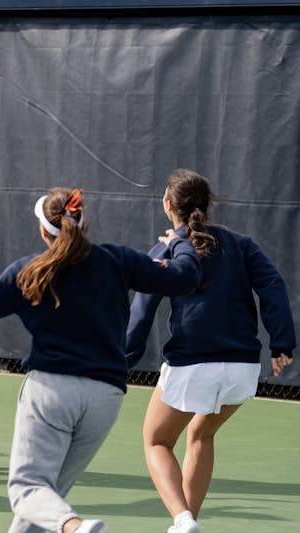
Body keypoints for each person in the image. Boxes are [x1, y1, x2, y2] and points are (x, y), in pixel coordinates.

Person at [0, 187, 202, 533]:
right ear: (81, 222)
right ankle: (70, 526)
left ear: (43, 231)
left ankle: (75, 528)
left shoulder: (30, 271)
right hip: (105, 400)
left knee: (26, 491)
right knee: (43, 502)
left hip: (51, 392)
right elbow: (185, 277)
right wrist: (179, 239)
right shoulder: (117, 260)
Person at [125, 169, 295, 533]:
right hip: (243, 370)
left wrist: (124, 358)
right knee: (201, 434)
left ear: (167, 205)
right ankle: (188, 525)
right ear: (207, 203)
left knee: (156, 441)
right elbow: (273, 285)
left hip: (192, 366)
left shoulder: (168, 249)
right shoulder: (241, 244)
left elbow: (142, 307)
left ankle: (183, 519)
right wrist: (282, 343)